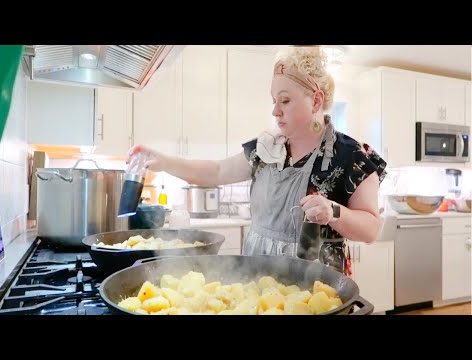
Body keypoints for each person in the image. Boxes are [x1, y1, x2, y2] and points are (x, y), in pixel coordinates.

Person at [126, 46, 387, 275]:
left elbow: (371, 228)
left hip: (318, 289)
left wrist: (333, 211)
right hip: (258, 278)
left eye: (285, 100)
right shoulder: (266, 149)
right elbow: (216, 171)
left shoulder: (351, 156)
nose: (275, 110)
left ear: (315, 101)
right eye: (274, 100)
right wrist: (163, 162)